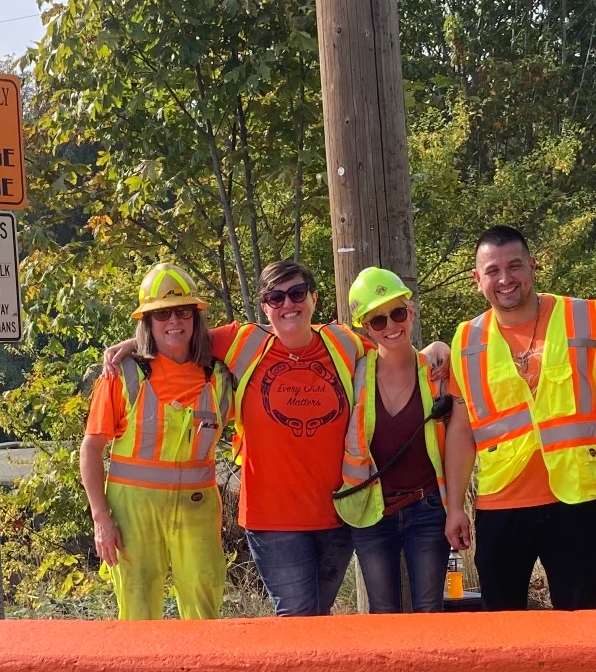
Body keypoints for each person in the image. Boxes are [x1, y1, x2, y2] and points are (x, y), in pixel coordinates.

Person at [105, 259, 364, 616]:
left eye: (297, 293)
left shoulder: (343, 342)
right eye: (276, 297)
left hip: (337, 513)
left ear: (314, 299)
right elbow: (176, 336)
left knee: (317, 619)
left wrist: (434, 353)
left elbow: (390, 351)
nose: (288, 304)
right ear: (264, 306)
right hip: (273, 519)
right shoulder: (243, 342)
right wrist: (134, 343)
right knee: (298, 619)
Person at [441, 226, 596, 611]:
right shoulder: (466, 340)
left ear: (533, 266)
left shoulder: (585, 318)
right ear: (476, 279)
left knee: (578, 622)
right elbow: (461, 432)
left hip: (572, 500)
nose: (505, 279)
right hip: (499, 506)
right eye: (492, 271)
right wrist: (455, 506)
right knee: (505, 629)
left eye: (515, 266)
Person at [79, 263, 236, 620]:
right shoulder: (123, 374)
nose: (174, 321)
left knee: (204, 609)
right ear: (147, 321)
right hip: (133, 514)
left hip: (197, 510)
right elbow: (90, 448)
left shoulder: (222, 375)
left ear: (196, 317)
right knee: (138, 614)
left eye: (183, 311)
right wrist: (101, 519)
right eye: (162, 313)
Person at [334, 266, 451, 613]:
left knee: (429, 612)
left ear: (411, 312)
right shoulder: (352, 374)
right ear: (365, 328)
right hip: (373, 511)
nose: (391, 326)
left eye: (398, 313)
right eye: (378, 320)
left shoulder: (437, 371)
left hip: (428, 509)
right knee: (383, 618)